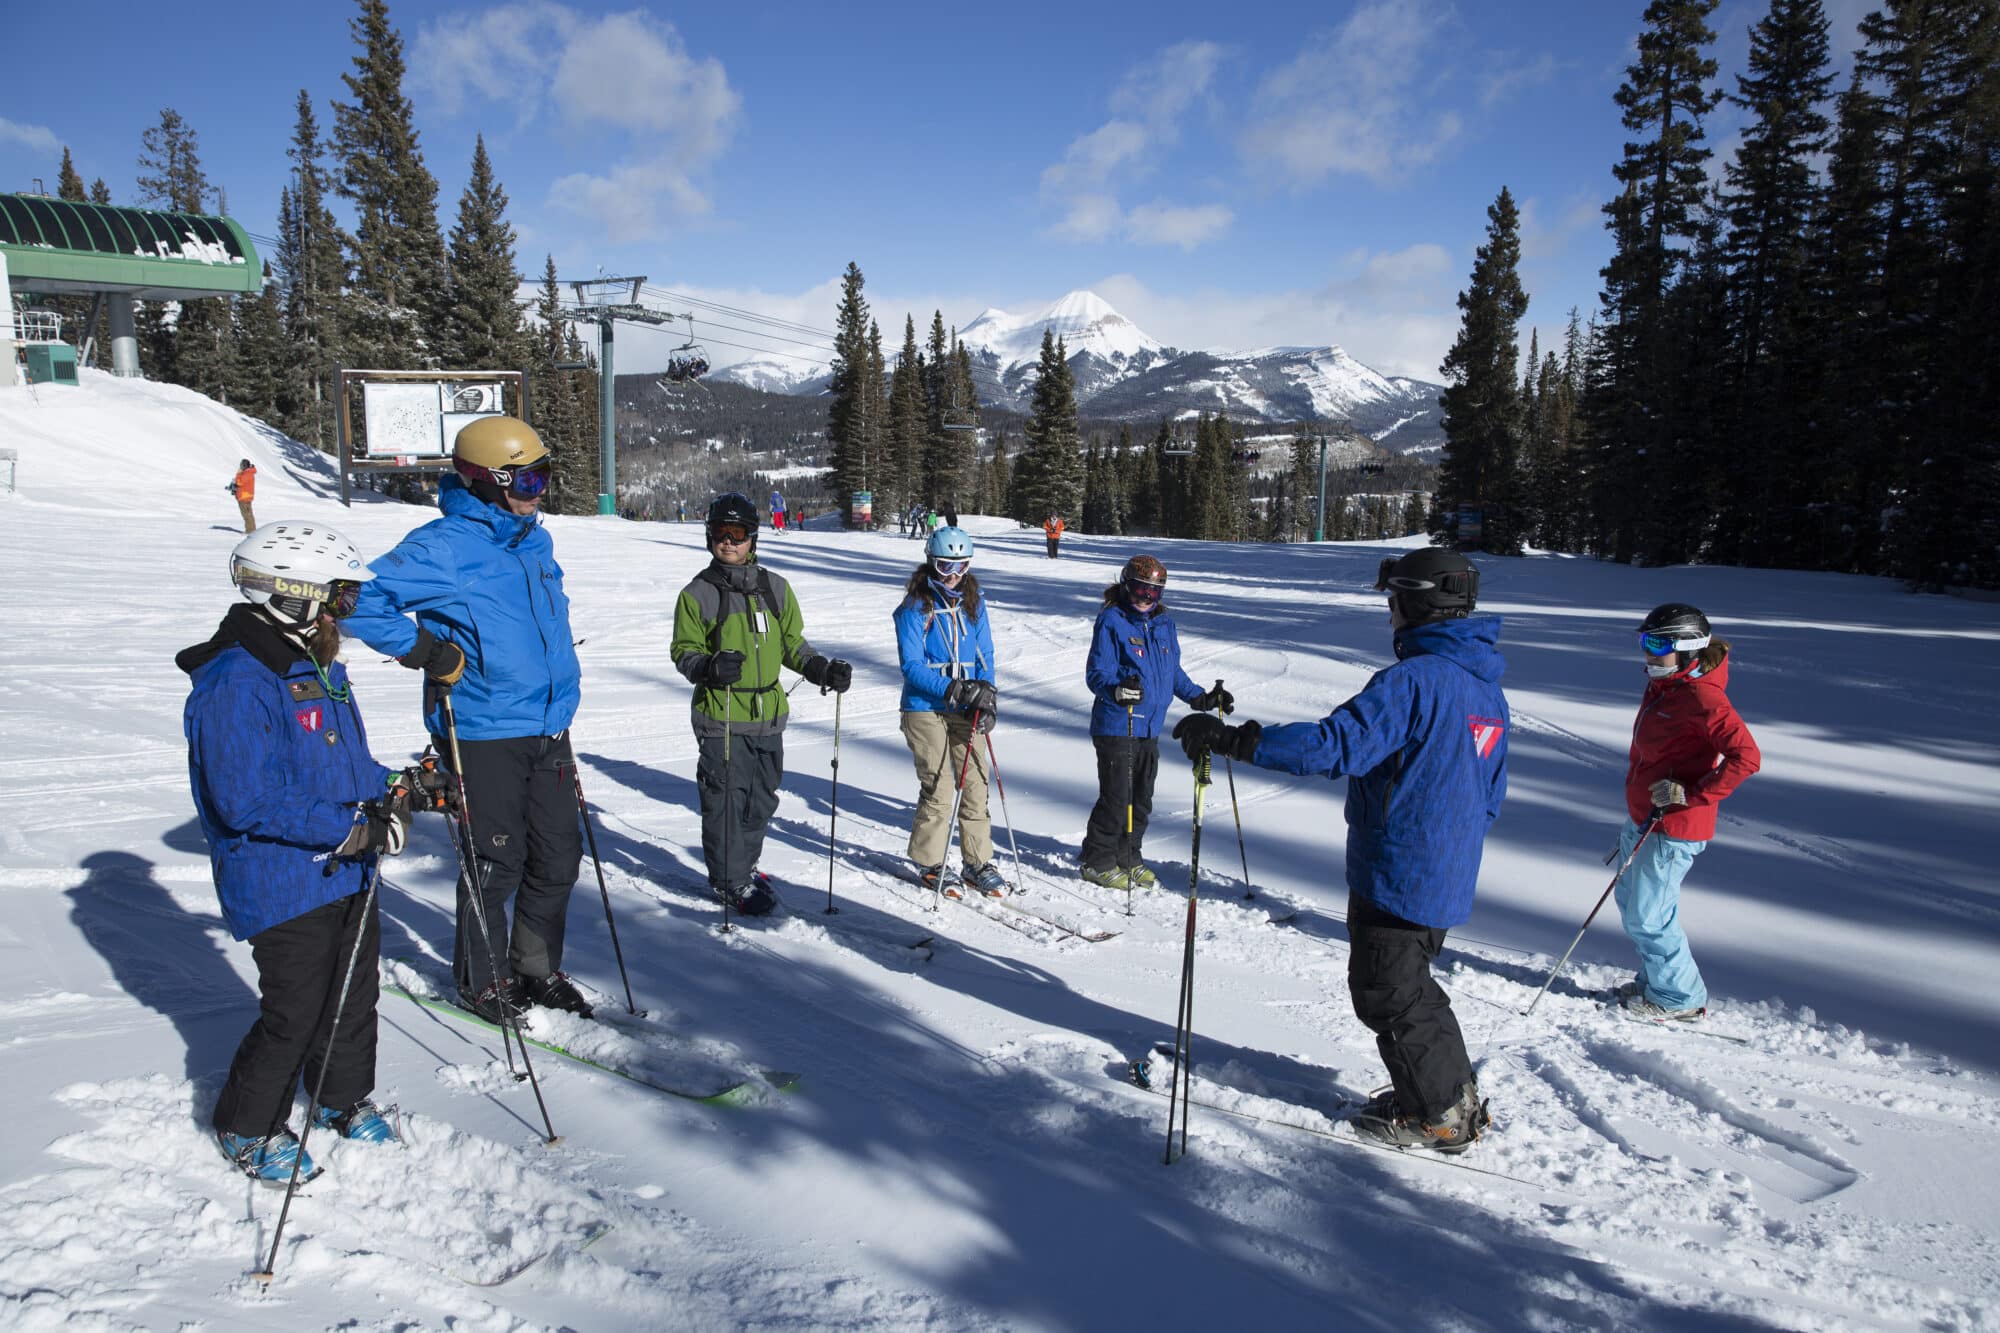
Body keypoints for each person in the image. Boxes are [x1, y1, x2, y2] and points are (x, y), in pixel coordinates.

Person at [1174, 548, 1507, 1154]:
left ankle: (1438, 1113)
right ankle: (1444, 1093)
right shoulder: (1485, 692)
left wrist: (1234, 740)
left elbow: (1334, 747)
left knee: (1390, 992)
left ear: (1417, 602)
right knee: (1409, 986)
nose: (1389, 618)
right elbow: (1492, 793)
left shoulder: (1413, 682)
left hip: (1400, 869)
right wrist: (1449, 843)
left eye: (1393, 604)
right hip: (1444, 872)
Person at [180, 522, 439, 1181]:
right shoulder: (236, 681)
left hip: (343, 871)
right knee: (295, 1009)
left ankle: (339, 1101)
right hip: (279, 877)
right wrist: (352, 829)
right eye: (337, 598)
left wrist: (398, 787)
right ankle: (246, 1125)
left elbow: (346, 767)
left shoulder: (317, 665)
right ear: (291, 596)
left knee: (352, 992)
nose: (343, 613)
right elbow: (245, 798)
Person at [342, 416, 592, 1024]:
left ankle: (535, 967)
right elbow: (354, 597)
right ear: (483, 480)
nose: (537, 491)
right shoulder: (443, 547)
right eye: (525, 479)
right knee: (496, 861)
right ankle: (482, 980)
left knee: (558, 858)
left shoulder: (534, 541)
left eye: (544, 476)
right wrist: (424, 650)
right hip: (481, 732)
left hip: (549, 725)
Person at [671, 492, 852, 914]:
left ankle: (744, 867)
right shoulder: (698, 594)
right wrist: (709, 667)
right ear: (709, 537)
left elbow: (793, 645)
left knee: (761, 798)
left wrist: (822, 670)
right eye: (720, 533)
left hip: (768, 716)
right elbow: (683, 650)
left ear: (752, 538)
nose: (728, 542)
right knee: (726, 800)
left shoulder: (775, 589)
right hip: (722, 715)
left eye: (737, 534)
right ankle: (730, 882)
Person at [1614, 604, 1761, 1021]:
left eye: (1657, 643)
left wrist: (1690, 794)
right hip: (1645, 817)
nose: (1647, 651)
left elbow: (1746, 757)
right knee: (1633, 905)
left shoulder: (1703, 697)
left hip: (1673, 827)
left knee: (1649, 914)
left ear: (1687, 648)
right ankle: (1655, 981)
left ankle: (1679, 998)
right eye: (1644, 640)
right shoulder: (1665, 686)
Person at [1080, 556, 1231, 889]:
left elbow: (1171, 673)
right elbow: (1096, 674)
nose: (1145, 598)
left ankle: (1129, 856)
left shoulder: (1165, 624)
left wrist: (1200, 698)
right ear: (1125, 586)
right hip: (1119, 723)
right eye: (1139, 590)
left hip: (1149, 727)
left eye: (1154, 592)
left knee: (1142, 798)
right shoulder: (1112, 620)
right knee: (1117, 797)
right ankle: (1098, 860)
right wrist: (1117, 690)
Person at [893, 526, 1004, 896]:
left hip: (966, 704)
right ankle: (931, 861)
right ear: (931, 563)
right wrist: (953, 687)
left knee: (975, 782)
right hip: (925, 707)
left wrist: (986, 693)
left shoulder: (975, 602)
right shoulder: (913, 607)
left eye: (961, 566)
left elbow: (983, 655)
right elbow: (911, 666)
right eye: (944, 566)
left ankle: (977, 862)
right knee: (940, 786)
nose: (954, 575)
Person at [228, 459, 257, 533]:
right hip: (246, 496)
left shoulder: (247, 473)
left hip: (244, 497)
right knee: (248, 514)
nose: (240, 467)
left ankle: (250, 531)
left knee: (246, 515)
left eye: (241, 465)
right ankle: (252, 530)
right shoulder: (249, 473)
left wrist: (238, 474)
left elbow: (239, 482)